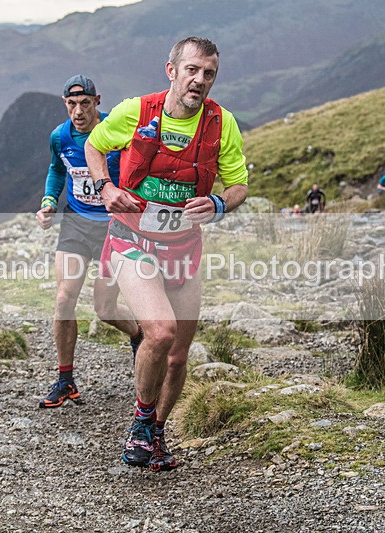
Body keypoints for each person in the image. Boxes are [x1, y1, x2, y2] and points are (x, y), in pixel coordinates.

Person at [85, 36, 248, 471]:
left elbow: (238, 186)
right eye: (192, 70)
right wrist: (107, 187)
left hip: (183, 248)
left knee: (177, 356)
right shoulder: (135, 111)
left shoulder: (221, 123)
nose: (200, 80)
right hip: (132, 238)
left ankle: (157, 430)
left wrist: (217, 203)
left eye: (208, 73)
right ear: (171, 70)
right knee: (159, 332)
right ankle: (140, 422)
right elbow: (95, 146)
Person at [35, 74, 142, 409]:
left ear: (97, 101)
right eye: (71, 104)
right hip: (76, 225)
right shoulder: (59, 136)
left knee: (105, 309)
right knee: (65, 298)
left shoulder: (116, 128)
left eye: (84, 103)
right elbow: (57, 169)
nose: (78, 111)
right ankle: (65, 380)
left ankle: (139, 334)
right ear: (64, 104)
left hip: (114, 226)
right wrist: (49, 200)